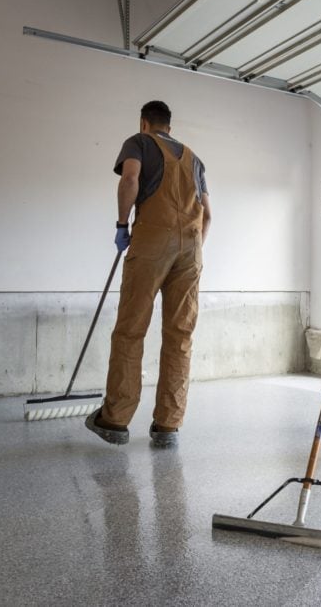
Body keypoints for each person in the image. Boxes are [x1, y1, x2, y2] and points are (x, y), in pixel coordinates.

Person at [86, 100, 212, 447]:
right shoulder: (195, 159)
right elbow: (208, 215)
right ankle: (168, 427)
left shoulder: (139, 143)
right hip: (192, 247)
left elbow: (130, 179)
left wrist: (121, 224)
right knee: (180, 335)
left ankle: (115, 419)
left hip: (153, 242)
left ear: (145, 123)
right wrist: (191, 249)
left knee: (131, 328)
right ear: (169, 125)